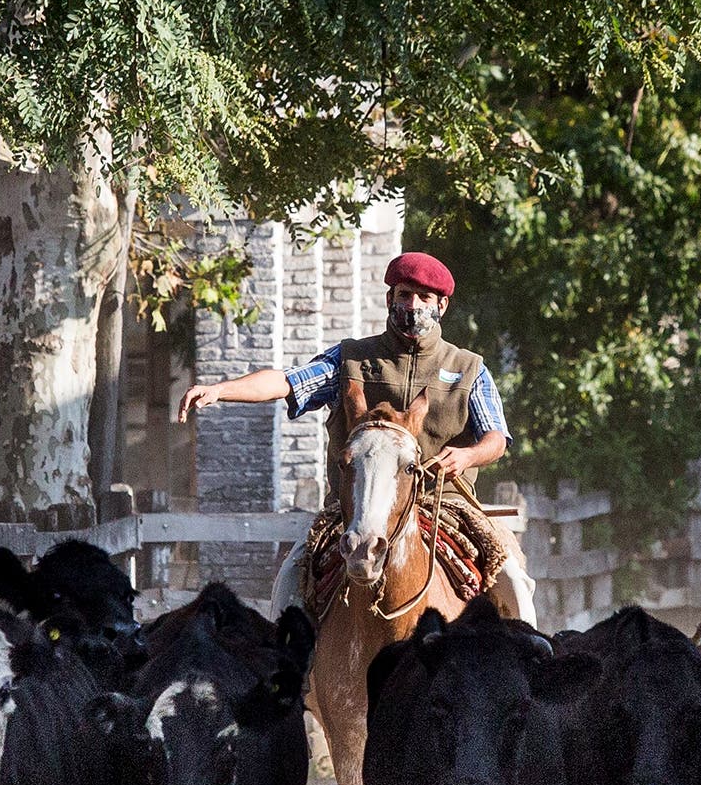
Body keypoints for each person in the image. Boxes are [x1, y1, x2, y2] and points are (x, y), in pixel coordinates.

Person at [177, 250, 536, 624]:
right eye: (404, 295)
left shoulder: (467, 368)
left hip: (443, 503)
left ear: (441, 305)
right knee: (289, 581)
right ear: (389, 299)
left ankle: (533, 664)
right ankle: (291, 672)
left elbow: (496, 436)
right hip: (351, 510)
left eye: (424, 298)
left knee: (512, 580)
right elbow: (287, 381)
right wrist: (221, 390)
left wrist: (466, 457)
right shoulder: (351, 359)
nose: (412, 306)